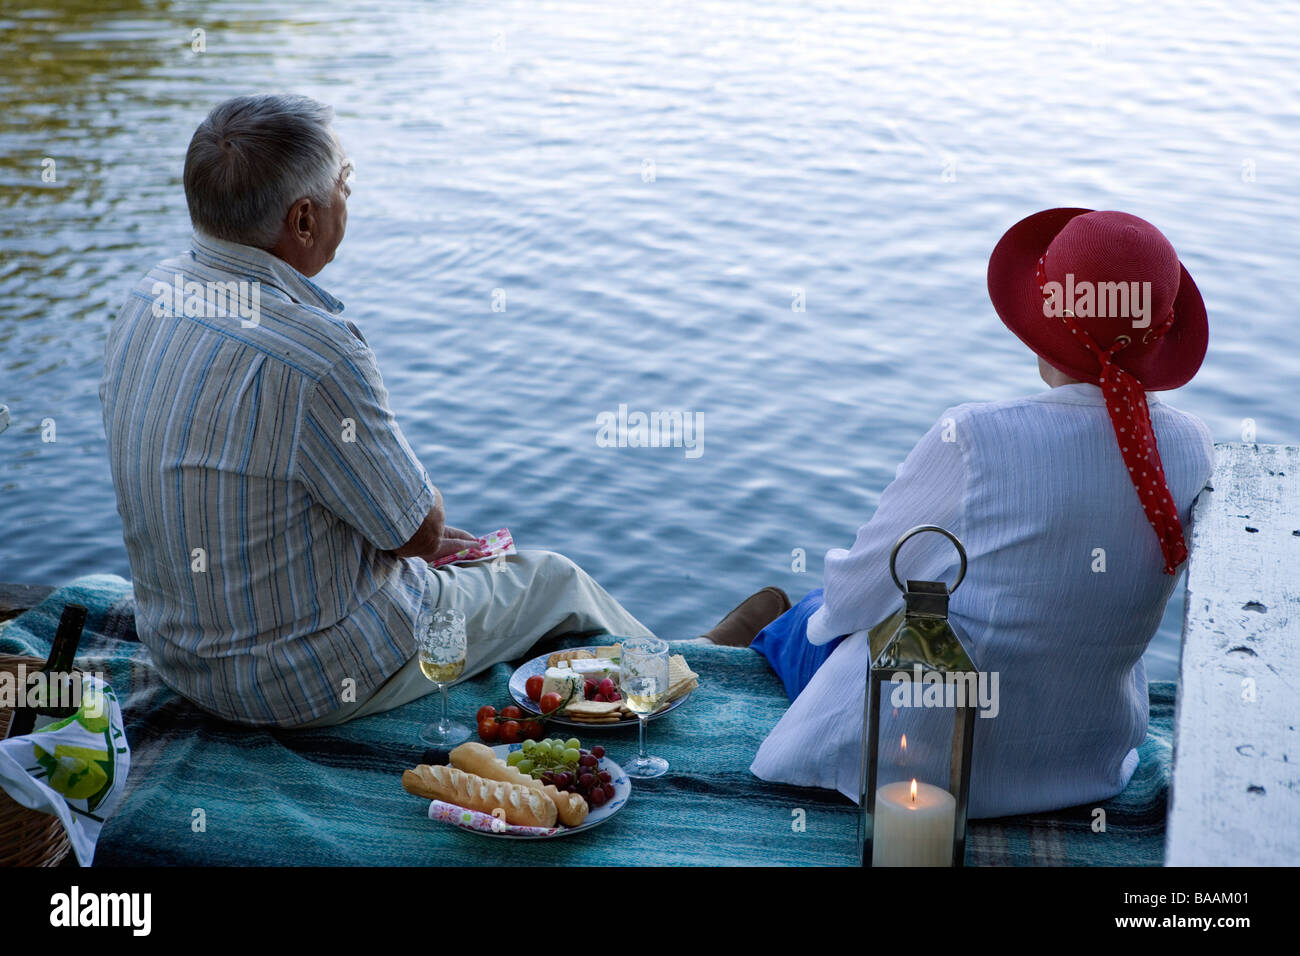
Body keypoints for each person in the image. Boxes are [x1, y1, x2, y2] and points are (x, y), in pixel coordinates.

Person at [99, 93, 655, 728]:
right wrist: (407, 519)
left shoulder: (148, 297)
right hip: (295, 683)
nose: (350, 196)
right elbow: (418, 533)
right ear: (303, 220)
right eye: (346, 182)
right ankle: (681, 671)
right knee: (555, 579)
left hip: (181, 658)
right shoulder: (317, 353)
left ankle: (665, 659)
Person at [712, 209, 1214, 819]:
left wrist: (828, 620)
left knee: (812, 615)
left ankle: (742, 637)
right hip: (1089, 762)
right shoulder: (1191, 446)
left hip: (929, 763)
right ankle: (756, 626)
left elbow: (856, 599)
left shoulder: (977, 436)